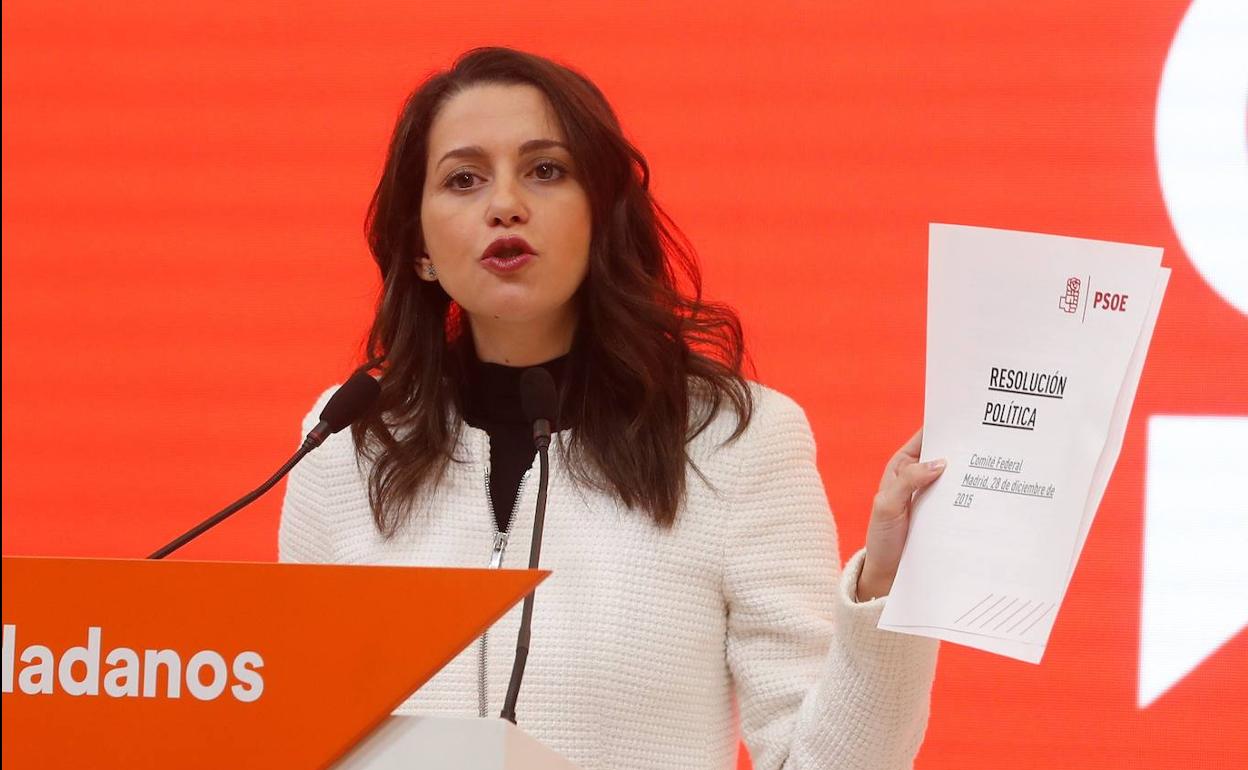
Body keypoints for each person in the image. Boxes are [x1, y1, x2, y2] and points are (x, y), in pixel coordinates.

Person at [280, 46, 945, 770]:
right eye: (464, 179)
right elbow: (302, 733)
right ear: (419, 248)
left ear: (602, 213)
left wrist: (888, 591)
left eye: (545, 170)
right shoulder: (349, 440)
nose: (505, 204)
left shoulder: (733, 440)